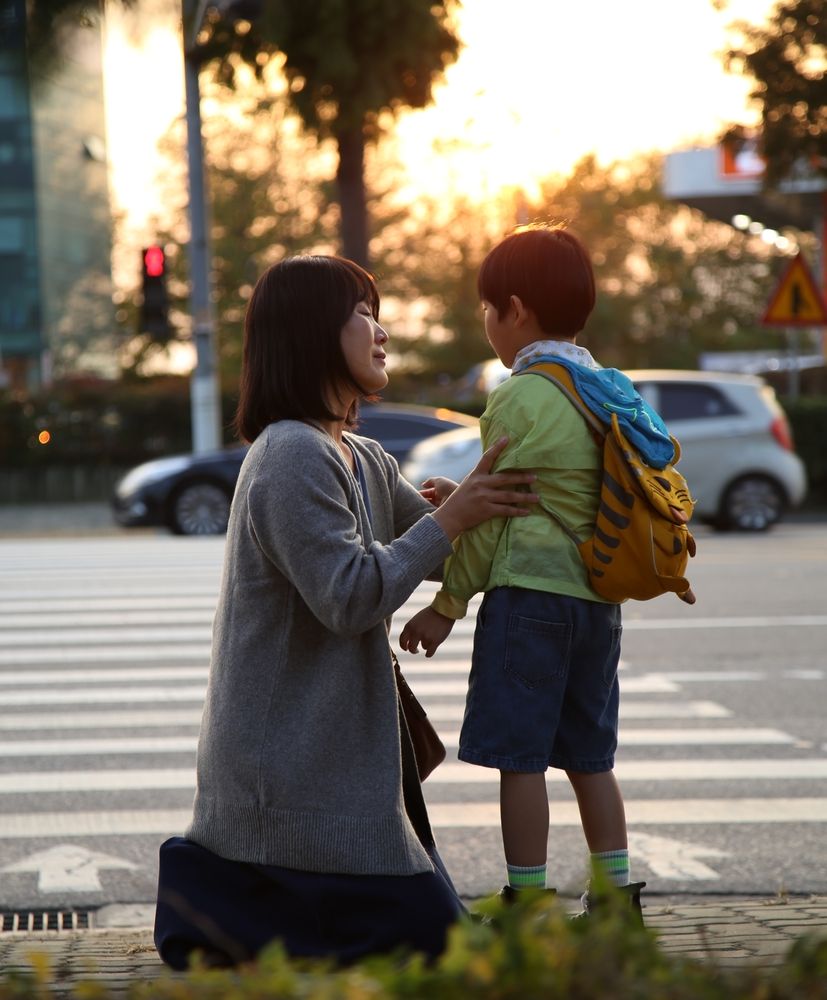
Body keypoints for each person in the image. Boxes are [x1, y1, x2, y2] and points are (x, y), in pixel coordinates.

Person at [153, 254, 540, 970]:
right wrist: (448, 522)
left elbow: (438, 553)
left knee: (440, 932)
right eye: (362, 312)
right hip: (289, 773)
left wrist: (471, 513)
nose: (381, 330)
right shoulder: (290, 455)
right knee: (438, 944)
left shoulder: (356, 453)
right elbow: (351, 596)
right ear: (310, 333)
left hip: (335, 762)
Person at [400, 225, 655, 920]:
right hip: (597, 602)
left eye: (486, 308)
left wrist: (444, 605)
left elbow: (499, 523)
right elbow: (540, 498)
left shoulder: (519, 396)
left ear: (514, 309)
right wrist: (467, 500)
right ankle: (614, 899)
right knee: (590, 760)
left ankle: (530, 900)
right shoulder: (606, 389)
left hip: (530, 602)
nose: (486, 322)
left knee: (522, 760)